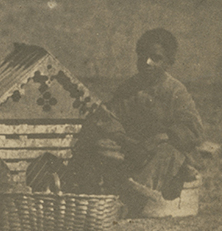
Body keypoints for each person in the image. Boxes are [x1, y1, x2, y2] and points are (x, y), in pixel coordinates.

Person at [67, 28, 203, 214]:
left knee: (170, 153)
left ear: (168, 62)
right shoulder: (129, 88)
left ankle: (131, 197)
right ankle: (92, 193)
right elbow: (109, 117)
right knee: (99, 145)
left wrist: (158, 139)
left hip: (161, 155)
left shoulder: (175, 91)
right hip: (133, 151)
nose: (147, 63)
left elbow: (193, 129)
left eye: (156, 58)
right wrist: (126, 141)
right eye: (143, 56)